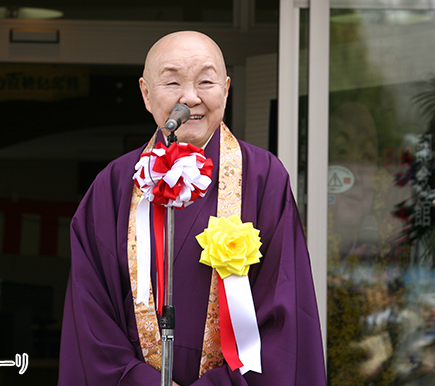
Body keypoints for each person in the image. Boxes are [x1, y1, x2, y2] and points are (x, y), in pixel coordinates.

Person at [58, 31, 326, 386]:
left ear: (227, 89)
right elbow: (90, 314)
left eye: (206, 81)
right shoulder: (114, 185)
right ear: (146, 93)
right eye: (172, 81)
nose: (190, 98)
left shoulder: (262, 177)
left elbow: (284, 307)